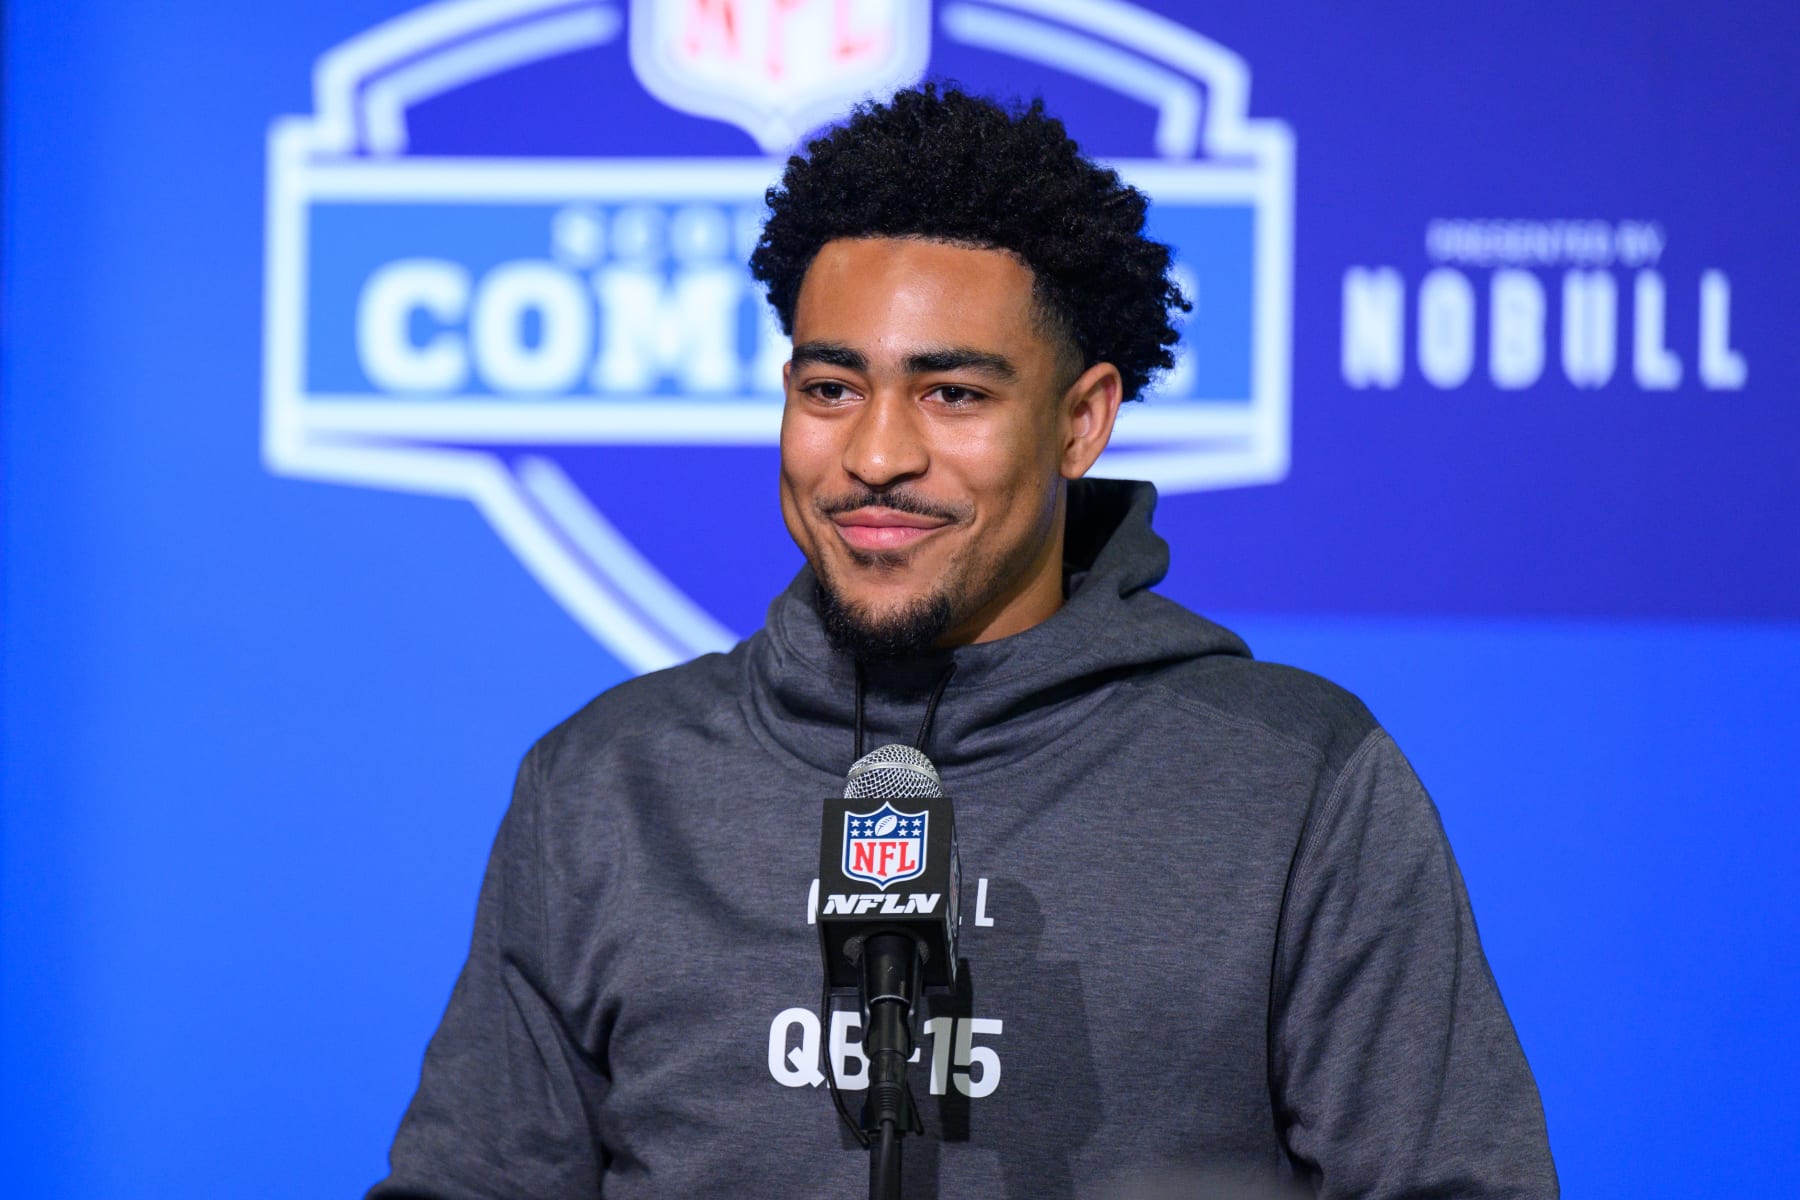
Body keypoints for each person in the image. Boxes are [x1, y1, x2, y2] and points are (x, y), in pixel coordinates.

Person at [369, 85, 1557, 1199]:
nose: (877, 454)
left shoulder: (1295, 782)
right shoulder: (607, 785)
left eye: (953, 394)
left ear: (1081, 420)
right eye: (832, 389)